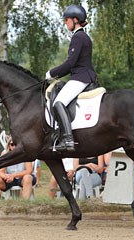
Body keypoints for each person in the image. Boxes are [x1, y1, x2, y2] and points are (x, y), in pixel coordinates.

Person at [45, 5, 97, 151]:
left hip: (81, 77)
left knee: (58, 102)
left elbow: (70, 63)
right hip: (81, 75)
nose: (65, 22)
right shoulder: (81, 36)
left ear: (75, 20)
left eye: (67, 19)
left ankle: (67, 139)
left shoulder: (79, 37)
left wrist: (51, 73)